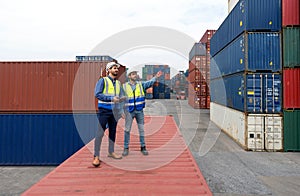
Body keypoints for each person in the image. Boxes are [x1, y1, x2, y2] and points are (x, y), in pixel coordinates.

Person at [92, 61, 126, 167]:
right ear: (108, 70)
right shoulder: (103, 81)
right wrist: (111, 98)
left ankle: (111, 152)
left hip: (114, 112)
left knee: (112, 132)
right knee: (100, 133)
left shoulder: (119, 83)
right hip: (104, 111)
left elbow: (119, 98)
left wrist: (121, 110)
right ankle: (96, 156)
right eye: (114, 68)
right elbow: (97, 94)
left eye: (117, 68)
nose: (116, 69)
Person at [122, 70, 163, 156]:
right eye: (133, 74)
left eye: (136, 74)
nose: (135, 75)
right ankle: (126, 148)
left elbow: (150, 82)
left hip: (139, 111)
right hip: (129, 111)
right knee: (127, 130)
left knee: (141, 129)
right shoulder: (124, 87)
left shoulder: (141, 85)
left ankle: (143, 147)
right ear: (129, 76)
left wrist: (156, 77)